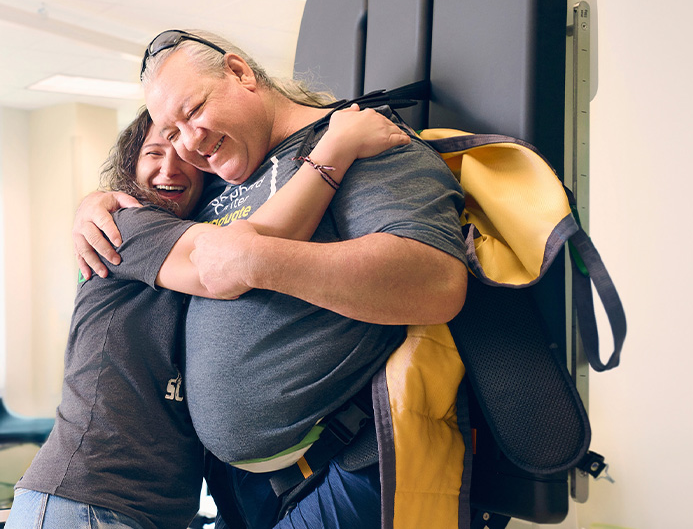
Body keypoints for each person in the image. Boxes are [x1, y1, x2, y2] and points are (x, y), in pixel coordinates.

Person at [73, 29, 468, 528]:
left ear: (240, 73)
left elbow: (435, 281)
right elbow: (164, 209)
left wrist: (258, 260)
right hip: (237, 490)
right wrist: (99, 200)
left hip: (334, 466)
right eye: (170, 133)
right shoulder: (222, 170)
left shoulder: (361, 141)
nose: (188, 145)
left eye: (192, 112)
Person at [8, 103, 408, 529]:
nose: (170, 168)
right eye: (154, 153)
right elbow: (242, 260)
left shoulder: (191, 228)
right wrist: (338, 146)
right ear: (130, 166)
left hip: (149, 510)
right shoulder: (124, 225)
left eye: (184, 155)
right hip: (88, 500)